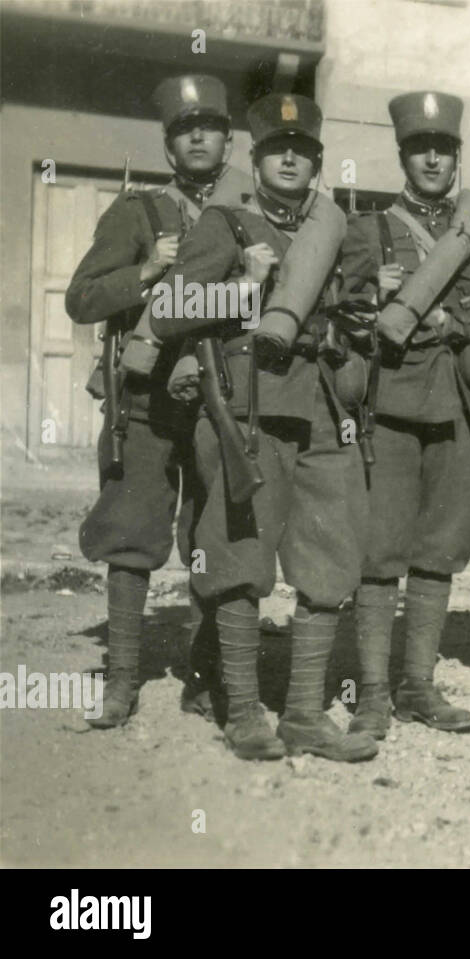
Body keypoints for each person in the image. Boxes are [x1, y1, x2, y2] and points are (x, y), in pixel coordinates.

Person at [151, 93, 376, 763]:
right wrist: (242, 288)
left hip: (323, 407)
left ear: (316, 163)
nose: (289, 160)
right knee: (239, 556)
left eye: (302, 151)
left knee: (331, 555)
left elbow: (359, 313)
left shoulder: (336, 231)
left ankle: (304, 714)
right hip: (246, 408)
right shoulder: (224, 223)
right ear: (255, 161)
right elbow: (167, 310)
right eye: (278, 150)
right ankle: (244, 712)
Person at [338, 90, 470, 740]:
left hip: (457, 410)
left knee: (441, 549)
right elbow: (341, 317)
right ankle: (372, 693)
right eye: (420, 149)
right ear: (402, 156)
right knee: (381, 551)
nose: (433, 160)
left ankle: (418, 687)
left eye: (443, 149)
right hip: (391, 409)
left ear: (457, 157)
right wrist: (369, 297)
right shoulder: (370, 230)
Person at [67, 74, 233, 729]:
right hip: (146, 396)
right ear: (169, 147)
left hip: (221, 397)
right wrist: (144, 271)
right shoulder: (137, 212)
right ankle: (121, 681)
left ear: (227, 142)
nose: (198, 139)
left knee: (213, 534)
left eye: (210, 129)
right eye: (185, 131)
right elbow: (82, 298)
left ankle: (205, 678)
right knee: (131, 531)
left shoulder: (247, 210)